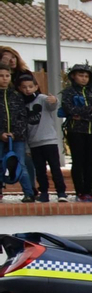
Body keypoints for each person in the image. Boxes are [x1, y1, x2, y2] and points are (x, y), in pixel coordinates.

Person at [60, 63, 92, 201]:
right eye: (81, 75)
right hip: (76, 131)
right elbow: (69, 110)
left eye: (86, 76)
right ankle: (79, 191)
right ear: (74, 76)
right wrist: (89, 110)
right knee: (78, 161)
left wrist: (83, 114)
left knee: (90, 162)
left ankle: (89, 190)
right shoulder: (69, 92)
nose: (84, 78)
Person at [19, 73, 63, 202]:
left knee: (55, 167)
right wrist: (27, 146)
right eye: (24, 87)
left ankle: (61, 192)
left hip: (49, 140)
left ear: (36, 86)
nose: (28, 89)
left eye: (30, 86)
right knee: (40, 170)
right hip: (34, 143)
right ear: (20, 88)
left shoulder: (43, 98)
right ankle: (44, 192)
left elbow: (52, 106)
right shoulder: (20, 104)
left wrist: (55, 100)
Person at [0, 65, 37, 201]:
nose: (4, 79)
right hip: (0, 137)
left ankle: (29, 193)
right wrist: (1, 133)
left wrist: (15, 133)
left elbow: (23, 116)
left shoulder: (16, 95)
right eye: (1, 76)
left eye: (7, 76)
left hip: (17, 138)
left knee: (20, 165)